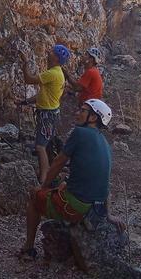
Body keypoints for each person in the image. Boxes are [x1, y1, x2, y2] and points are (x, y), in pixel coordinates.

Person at [20, 98, 114, 260]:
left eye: (83, 111)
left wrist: (43, 186)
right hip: (97, 208)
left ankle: (28, 248)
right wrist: (109, 214)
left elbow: (58, 162)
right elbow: (102, 179)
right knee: (63, 184)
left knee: (35, 197)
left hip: (78, 207)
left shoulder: (80, 133)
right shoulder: (104, 142)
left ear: (93, 118)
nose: (78, 113)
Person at [22, 44, 69, 183]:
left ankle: (43, 179)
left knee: (40, 146)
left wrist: (25, 64)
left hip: (47, 115)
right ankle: (47, 172)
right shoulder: (58, 72)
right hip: (51, 113)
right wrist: (24, 102)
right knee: (46, 144)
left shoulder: (53, 73)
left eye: (52, 52)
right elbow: (42, 95)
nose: (48, 52)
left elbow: (28, 80)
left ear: (56, 58)